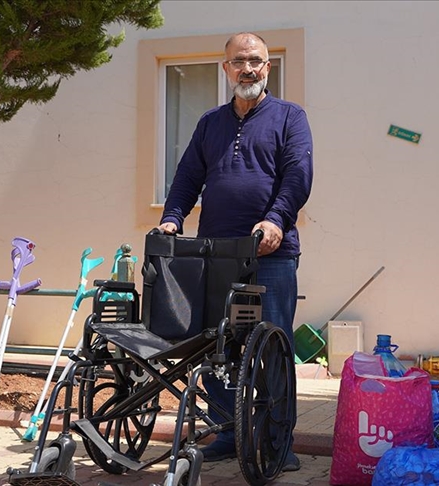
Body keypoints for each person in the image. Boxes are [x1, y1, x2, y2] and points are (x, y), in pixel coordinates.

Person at [157, 32, 313, 472]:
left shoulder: (289, 117)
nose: (248, 68)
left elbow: (297, 175)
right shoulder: (210, 123)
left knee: (272, 350)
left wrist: (277, 219)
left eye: (257, 61)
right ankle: (229, 432)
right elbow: (188, 175)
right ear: (225, 69)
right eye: (239, 61)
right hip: (217, 254)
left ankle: (277, 442)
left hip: (271, 255)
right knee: (217, 348)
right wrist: (173, 217)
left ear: (268, 68)